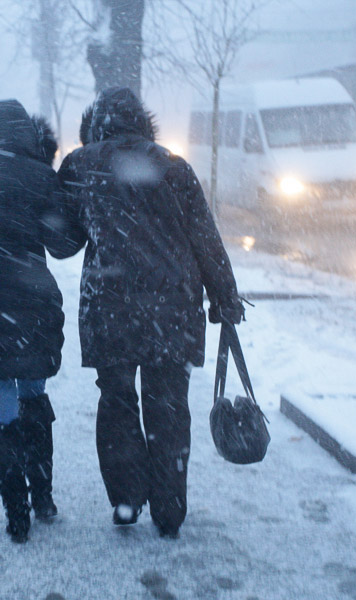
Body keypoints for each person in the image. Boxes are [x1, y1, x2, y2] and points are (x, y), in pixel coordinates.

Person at [58, 87, 243, 538]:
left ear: (97, 123)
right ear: (143, 122)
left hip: (110, 305)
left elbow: (62, 244)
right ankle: (170, 509)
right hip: (172, 307)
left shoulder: (81, 165)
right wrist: (225, 297)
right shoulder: (174, 166)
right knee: (169, 407)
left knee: (117, 402)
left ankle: (126, 501)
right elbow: (204, 237)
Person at [0, 100, 79, 544]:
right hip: (32, 299)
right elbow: (61, 243)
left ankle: (16, 512)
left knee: (0, 406)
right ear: (26, 133)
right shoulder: (41, 178)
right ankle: (42, 496)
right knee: (34, 396)